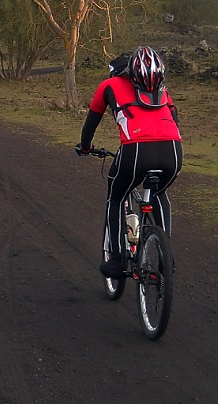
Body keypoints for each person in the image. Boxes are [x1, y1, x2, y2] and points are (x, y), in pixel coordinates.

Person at [76, 46, 183, 279]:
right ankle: (166, 257)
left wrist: (85, 148)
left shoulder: (108, 86)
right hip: (173, 150)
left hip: (136, 151)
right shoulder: (162, 90)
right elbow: (174, 120)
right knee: (159, 194)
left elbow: (90, 124)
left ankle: (115, 260)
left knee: (116, 197)